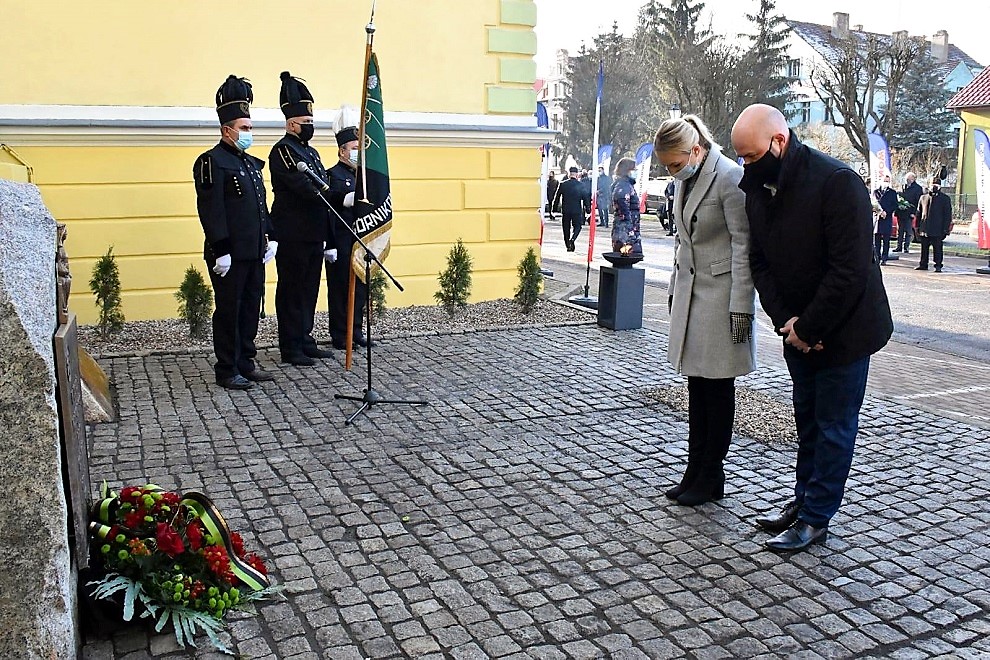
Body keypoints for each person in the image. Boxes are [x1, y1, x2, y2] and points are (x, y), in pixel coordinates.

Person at [730, 104, 893, 552]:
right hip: (796, 332)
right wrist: (787, 322)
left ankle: (817, 517)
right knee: (807, 422)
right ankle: (803, 502)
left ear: (779, 142)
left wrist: (812, 325)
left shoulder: (837, 183)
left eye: (750, 156)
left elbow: (850, 270)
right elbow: (759, 263)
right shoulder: (758, 186)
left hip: (846, 330)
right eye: (740, 158)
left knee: (834, 426)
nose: (745, 166)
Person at [654, 115, 755, 506]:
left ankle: (712, 472)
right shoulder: (687, 179)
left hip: (722, 298)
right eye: (667, 166)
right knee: (697, 388)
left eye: (676, 163)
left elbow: (745, 246)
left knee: (717, 390)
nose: (672, 171)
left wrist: (741, 309)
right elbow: (684, 243)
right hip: (693, 295)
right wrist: (673, 291)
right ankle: (696, 469)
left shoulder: (729, 177)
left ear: (696, 150)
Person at [193, 75, 277, 390]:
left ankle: (246, 361)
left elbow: (260, 205)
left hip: (254, 250)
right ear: (226, 129)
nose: (248, 133)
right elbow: (211, 210)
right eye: (243, 128)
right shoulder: (211, 162)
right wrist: (221, 248)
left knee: (250, 306)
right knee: (229, 310)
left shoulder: (249, 164)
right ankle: (227, 368)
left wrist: (272, 236)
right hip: (229, 253)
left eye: (250, 128)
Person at [269, 71, 336, 367]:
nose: (310, 127)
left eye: (311, 122)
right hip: (292, 232)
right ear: (291, 123)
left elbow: (322, 181)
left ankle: (305, 338)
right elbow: (306, 187)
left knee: (309, 289)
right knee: (291, 290)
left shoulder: (311, 152)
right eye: (306, 123)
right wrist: (326, 191)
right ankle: (290, 345)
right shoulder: (283, 150)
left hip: (313, 232)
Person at [326, 124, 372, 349]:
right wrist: (330, 243)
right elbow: (332, 213)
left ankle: (356, 330)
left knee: (360, 286)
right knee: (340, 288)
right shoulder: (333, 175)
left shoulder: (363, 176)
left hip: (360, 238)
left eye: (359, 148)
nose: (356, 153)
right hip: (342, 239)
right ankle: (340, 333)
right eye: (353, 148)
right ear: (342, 151)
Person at [915, 178, 953, 272]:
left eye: (936, 184)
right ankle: (923, 264)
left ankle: (938, 265)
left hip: (938, 229)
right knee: (924, 248)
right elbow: (919, 213)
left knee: (937, 249)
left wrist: (945, 229)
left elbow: (947, 215)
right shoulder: (923, 198)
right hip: (925, 228)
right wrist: (917, 226)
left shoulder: (945, 199)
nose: (934, 186)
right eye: (932, 184)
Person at [552, 166, 590, 252]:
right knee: (578, 226)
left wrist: (554, 209)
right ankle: (572, 239)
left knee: (566, 228)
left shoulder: (563, 184)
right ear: (577, 174)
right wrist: (588, 210)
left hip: (566, 210)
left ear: (569, 174)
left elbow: (557, 197)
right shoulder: (581, 185)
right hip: (576, 210)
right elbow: (586, 198)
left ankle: (567, 245)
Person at [610, 157, 643, 255]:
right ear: (627, 170)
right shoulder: (623, 185)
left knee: (631, 257)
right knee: (627, 256)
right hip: (625, 231)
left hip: (629, 228)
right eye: (634, 169)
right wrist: (630, 229)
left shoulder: (627, 184)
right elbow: (622, 205)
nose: (636, 172)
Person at [873, 174, 897, 265]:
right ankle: (877, 257)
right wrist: (879, 211)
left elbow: (895, 205)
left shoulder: (892, 192)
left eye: (888, 181)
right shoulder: (876, 192)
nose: (886, 182)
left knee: (886, 240)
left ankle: (884, 258)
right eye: (885, 180)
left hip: (887, 218)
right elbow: (873, 203)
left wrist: (886, 212)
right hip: (878, 218)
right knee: (877, 240)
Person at [896, 172, 923, 253]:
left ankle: (906, 247)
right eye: (906, 179)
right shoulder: (903, 186)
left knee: (908, 230)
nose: (907, 180)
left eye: (909, 179)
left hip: (909, 213)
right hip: (901, 212)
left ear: (913, 179)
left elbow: (918, 202)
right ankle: (899, 246)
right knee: (900, 230)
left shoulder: (917, 188)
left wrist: (914, 212)